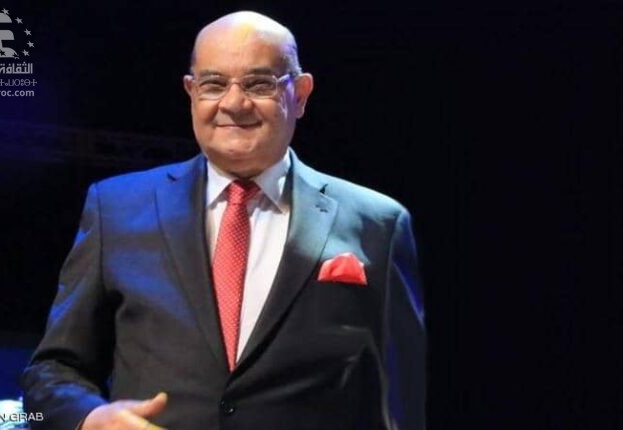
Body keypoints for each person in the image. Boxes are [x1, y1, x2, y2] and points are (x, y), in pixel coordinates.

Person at [21, 11, 425, 430]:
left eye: (259, 84)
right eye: (214, 85)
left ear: (301, 94)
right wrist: (89, 417)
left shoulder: (378, 224)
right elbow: (52, 370)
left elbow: (401, 404)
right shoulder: (116, 209)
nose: (234, 103)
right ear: (191, 92)